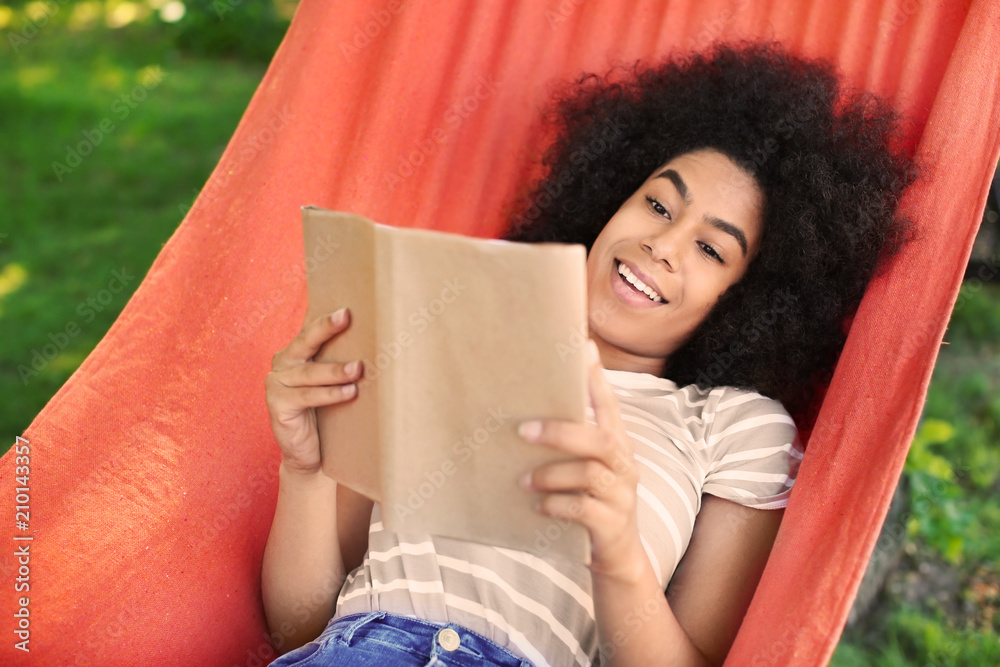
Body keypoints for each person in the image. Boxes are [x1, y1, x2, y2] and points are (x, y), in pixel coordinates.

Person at [261, 42, 916, 666]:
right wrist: (306, 470)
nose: (663, 244)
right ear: (609, 200)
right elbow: (300, 626)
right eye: (658, 204)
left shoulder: (731, 426)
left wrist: (617, 553)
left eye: (712, 249)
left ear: (743, 297)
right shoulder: (443, 331)